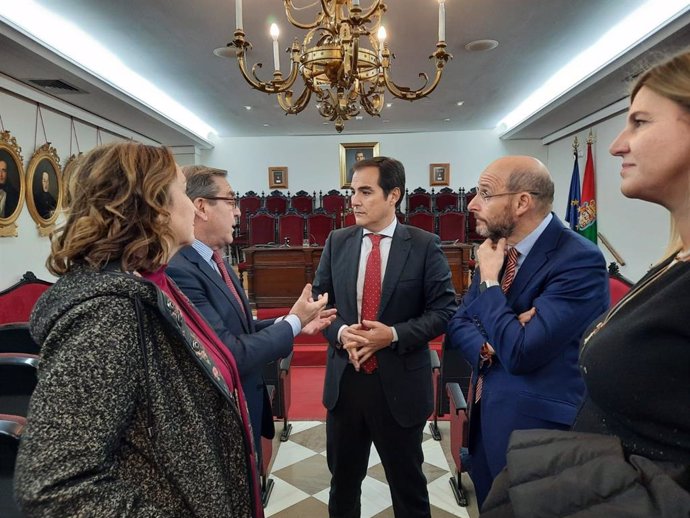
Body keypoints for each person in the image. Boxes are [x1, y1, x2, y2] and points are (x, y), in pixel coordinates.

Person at [481, 51, 690, 518]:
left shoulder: (577, 258)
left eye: (638, 122)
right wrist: (506, 324)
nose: (618, 144)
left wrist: (495, 293)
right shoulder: (673, 265)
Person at [14, 142, 264, 517]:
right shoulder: (107, 315)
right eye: (182, 191)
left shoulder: (147, 285)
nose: (192, 207)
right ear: (155, 206)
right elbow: (54, 485)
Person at [446, 155, 609, 507]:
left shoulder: (579, 260)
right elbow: (458, 322)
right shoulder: (499, 250)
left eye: (485, 193)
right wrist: (491, 346)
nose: (472, 204)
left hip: (538, 437)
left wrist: (490, 284)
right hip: (485, 421)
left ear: (522, 202)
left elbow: (521, 353)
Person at [312, 156, 457, 518]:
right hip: (346, 384)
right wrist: (343, 333)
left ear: (394, 195)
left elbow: (444, 312)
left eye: (365, 192)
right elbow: (319, 304)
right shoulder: (337, 241)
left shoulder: (424, 245)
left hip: (399, 385)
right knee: (343, 486)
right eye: (352, 192)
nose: (354, 201)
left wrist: (391, 335)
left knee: (408, 489)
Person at [167, 165, 335, 453]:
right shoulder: (180, 270)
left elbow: (239, 329)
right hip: (222, 416)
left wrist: (290, 321)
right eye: (231, 201)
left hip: (244, 406)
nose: (238, 212)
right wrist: (293, 322)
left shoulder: (216, 261)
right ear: (202, 207)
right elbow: (230, 352)